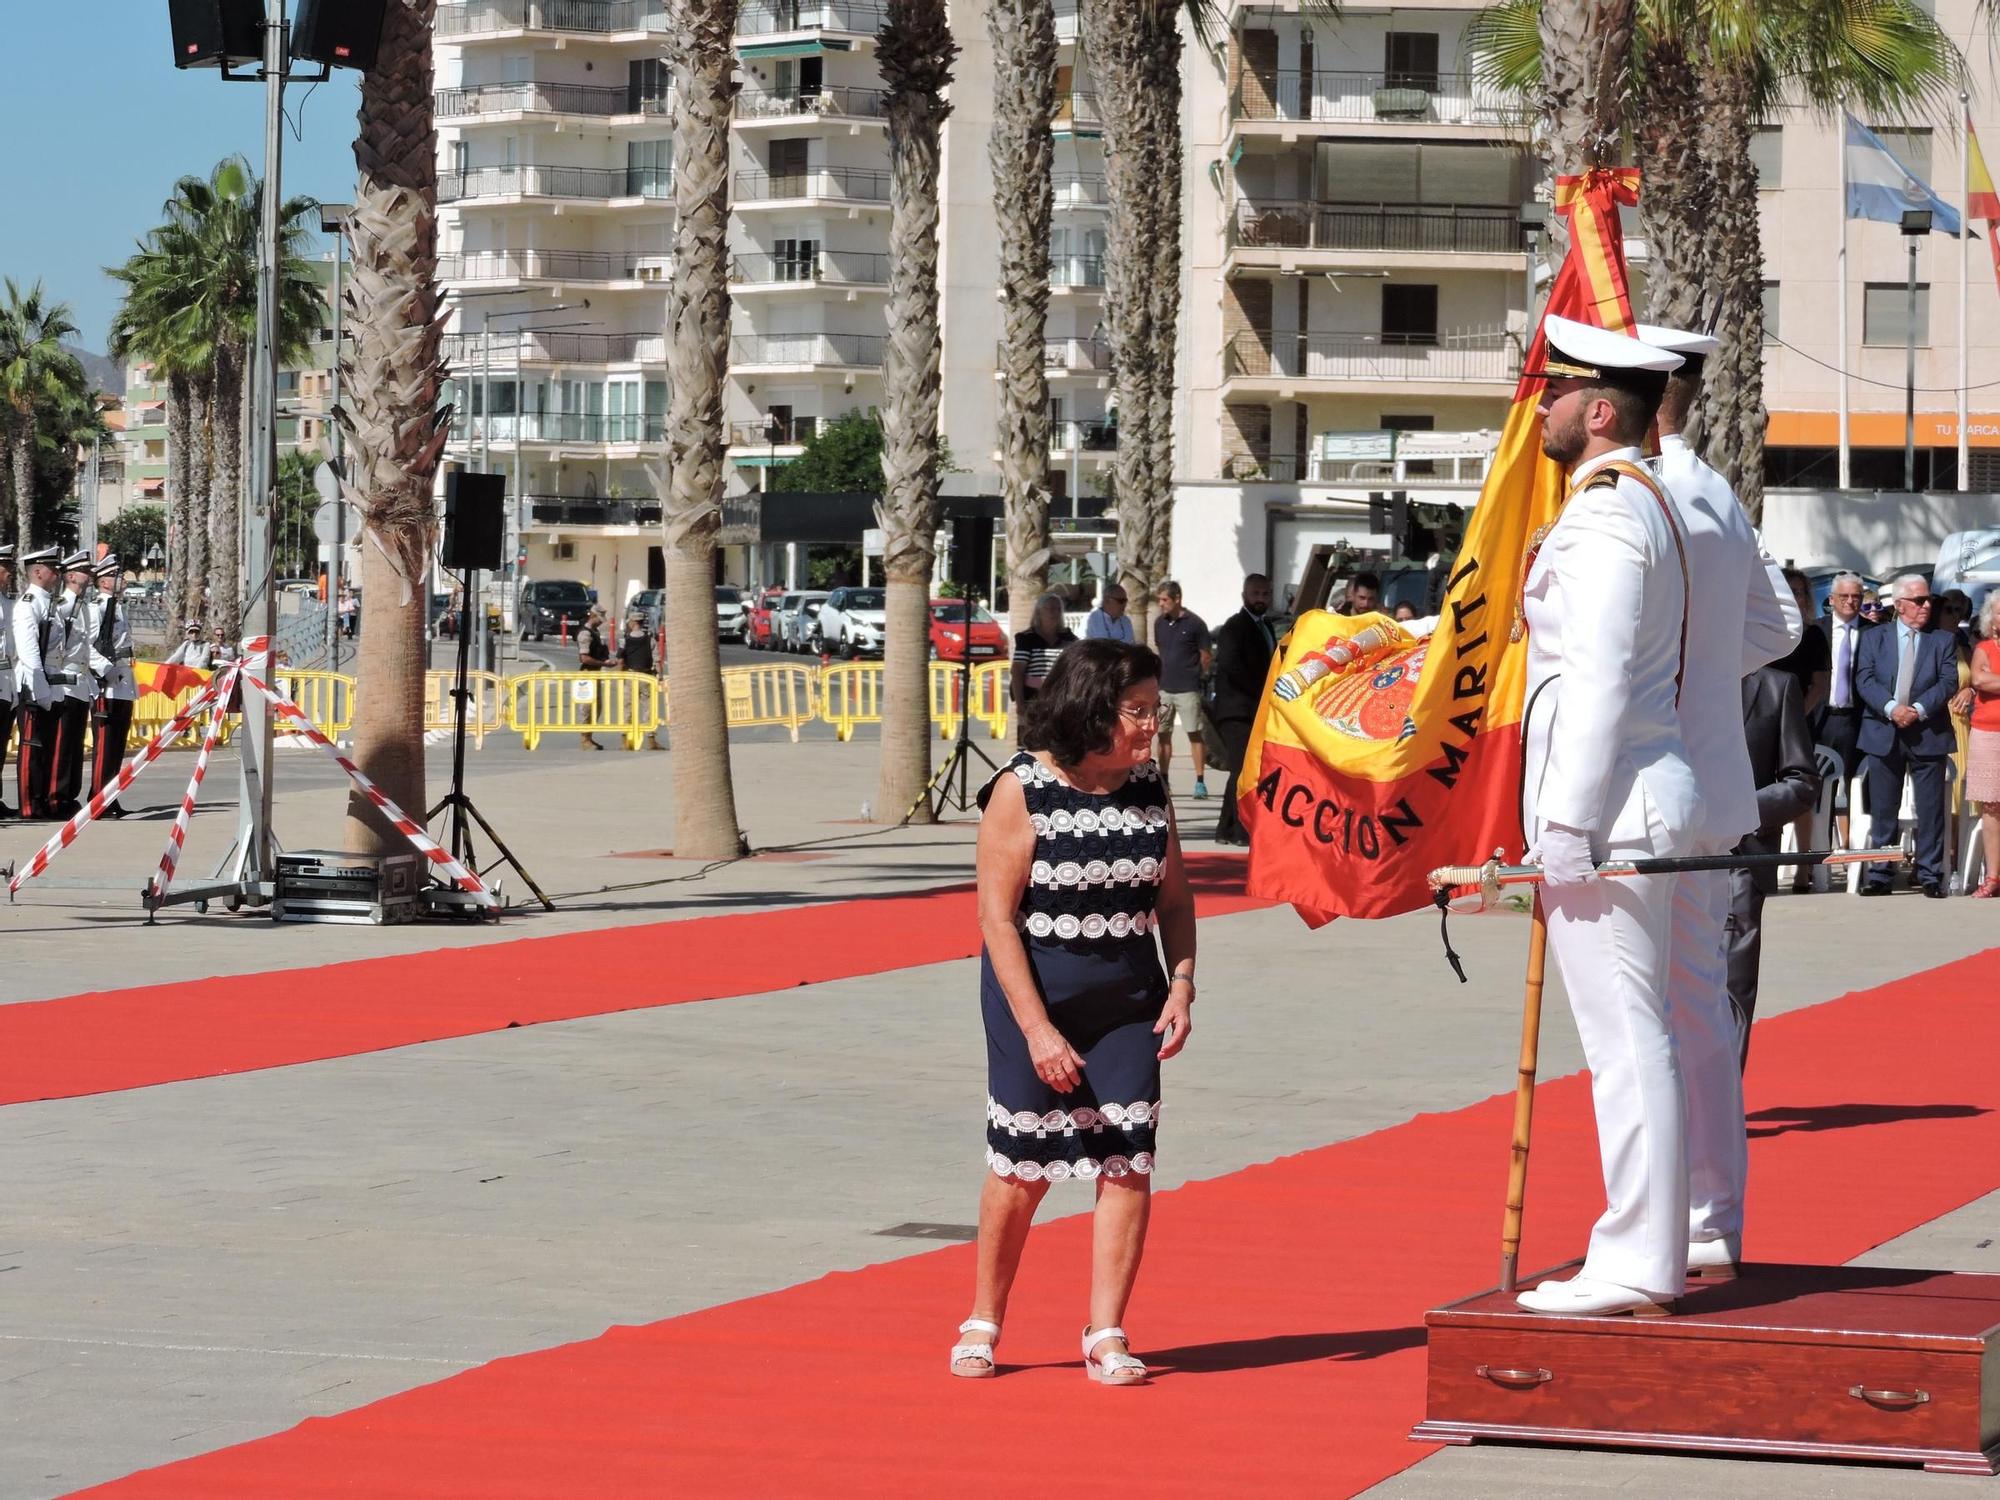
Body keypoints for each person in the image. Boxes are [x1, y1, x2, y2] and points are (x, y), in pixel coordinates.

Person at [1514, 315, 1697, 1318]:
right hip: (1632, 800)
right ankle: (1641, 1250)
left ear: (1593, 412)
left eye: (1550, 395)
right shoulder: (1635, 507)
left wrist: (1563, 825)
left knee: (1626, 1043)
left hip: (1611, 810)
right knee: (1636, 1038)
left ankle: (1633, 1258)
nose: (1533, 409)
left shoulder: (1604, 520)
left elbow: (1589, 688)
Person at [950, 640, 1195, 1385]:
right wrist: (1037, 1030)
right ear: (1093, 708)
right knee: (1022, 1165)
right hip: (1035, 996)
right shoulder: (1020, 789)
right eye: (1139, 712)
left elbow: (1176, 899)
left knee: (1127, 1161)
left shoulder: (1150, 785)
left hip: (1129, 1001)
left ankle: (1107, 1332)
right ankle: (984, 1318)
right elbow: (996, 921)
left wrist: (1182, 981)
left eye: (1158, 710)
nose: (1152, 726)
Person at [1639, 320, 1801, 1284]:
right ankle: (1708, 1220)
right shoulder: (1713, 490)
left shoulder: (1639, 491)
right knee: (1698, 1013)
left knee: (1635, 1023)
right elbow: (1779, 624)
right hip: (1711, 788)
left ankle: (1645, 1236)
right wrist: (1704, 682)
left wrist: (1675, 679)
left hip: (1640, 791)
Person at [1726, 666, 1821, 1069]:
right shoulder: (1669, 674)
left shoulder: (1776, 687)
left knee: (1732, 985)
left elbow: (1802, 782)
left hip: (1742, 860)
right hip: (1671, 862)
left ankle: (1723, 1105)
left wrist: (1739, 811)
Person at [1856, 574, 1955, 898]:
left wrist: (1916, 708)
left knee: (1930, 810)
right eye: (1919, 600)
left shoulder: (1942, 640)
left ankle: (1928, 874)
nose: (1927, 605)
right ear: (1899, 605)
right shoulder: (1874, 637)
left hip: (1927, 732)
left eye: (1929, 600)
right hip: (1883, 731)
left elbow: (1947, 681)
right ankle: (1881, 874)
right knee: (1884, 809)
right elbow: (1864, 678)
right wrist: (1890, 708)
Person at [1209, 573, 1279, 846]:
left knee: (1242, 769)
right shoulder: (1234, 627)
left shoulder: (1267, 627)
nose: (1260, 599)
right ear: (1244, 596)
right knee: (1243, 771)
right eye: (1255, 594)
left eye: (1265, 594)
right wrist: (1263, 692)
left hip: (1255, 711)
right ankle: (1240, 830)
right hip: (1237, 710)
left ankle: (1224, 828)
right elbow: (1231, 668)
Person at [1814, 571, 1872, 863]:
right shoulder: (1816, 631)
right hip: (1820, 718)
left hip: (1856, 719)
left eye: (1856, 597)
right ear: (1832, 599)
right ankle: (1819, 852)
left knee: (1852, 786)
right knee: (1819, 788)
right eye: (1845, 596)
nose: (1851, 602)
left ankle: (1850, 852)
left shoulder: (1874, 633)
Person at [12, 547, 63, 819]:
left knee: (46, 746)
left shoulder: (47, 601)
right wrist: (40, 688)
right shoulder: (29, 603)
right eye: (52, 568)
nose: (57, 573)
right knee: (32, 746)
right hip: (33, 684)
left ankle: (41, 798)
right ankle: (29, 805)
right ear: (38, 572)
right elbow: (29, 651)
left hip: (48, 682)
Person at [1150, 581, 1212, 798]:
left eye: (1164, 600)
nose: (1161, 604)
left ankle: (1200, 782)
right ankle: (1164, 780)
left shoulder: (1195, 624)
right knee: (1163, 734)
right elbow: (1160, 649)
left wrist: (1197, 676)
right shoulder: (1159, 623)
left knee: (1194, 733)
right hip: (1165, 689)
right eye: (1159, 600)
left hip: (1188, 689)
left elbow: (1206, 655)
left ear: (1177, 599)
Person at [88, 554, 138, 817]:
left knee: (117, 746)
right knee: (105, 745)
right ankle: (98, 798)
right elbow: (88, 644)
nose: (123, 580)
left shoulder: (117, 606)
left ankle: (110, 795)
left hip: (122, 681)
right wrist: (104, 670)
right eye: (117, 575)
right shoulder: (96, 607)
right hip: (106, 683)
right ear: (104, 581)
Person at [50, 551, 97, 816]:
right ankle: (57, 796)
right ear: (70, 576)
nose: (88, 576)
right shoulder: (62, 605)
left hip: (80, 681)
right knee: (63, 743)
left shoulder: (83, 608)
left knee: (76, 744)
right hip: (65, 681)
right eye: (83, 572)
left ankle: (69, 795)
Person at [1965, 593, 2000, 898]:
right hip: (1987, 733)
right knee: (1991, 806)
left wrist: (1994, 679)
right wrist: (1986, 679)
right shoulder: (1983, 648)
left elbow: (1989, 681)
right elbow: (1978, 680)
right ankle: (1992, 876)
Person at [1010, 591, 1076, 714]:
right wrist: (1020, 704)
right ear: (1039, 612)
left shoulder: (1068, 638)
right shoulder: (1027, 638)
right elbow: (1017, 671)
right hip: (1033, 700)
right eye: (1050, 608)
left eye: (1057, 609)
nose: (1054, 612)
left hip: (1061, 700)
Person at [619, 613, 664, 751]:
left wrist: (620, 676)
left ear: (632, 622)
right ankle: (651, 740)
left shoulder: (625, 640)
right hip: (646, 677)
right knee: (649, 708)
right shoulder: (650, 640)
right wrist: (660, 676)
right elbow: (657, 661)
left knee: (627, 708)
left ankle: (626, 741)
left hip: (630, 676)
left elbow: (621, 660)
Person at [576, 606, 610, 751]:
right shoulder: (585, 633)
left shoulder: (595, 632)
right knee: (586, 707)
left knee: (597, 707)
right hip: (586, 675)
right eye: (599, 619)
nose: (601, 622)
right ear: (593, 616)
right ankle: (584, 739)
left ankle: (589, 737)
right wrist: (604, 663)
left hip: (595, 673)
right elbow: (584, 658)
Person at [0, 545, 16, 817]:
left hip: (6, 679)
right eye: (6, 569)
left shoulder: (8, 603)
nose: (10, 573)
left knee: (0, 744)